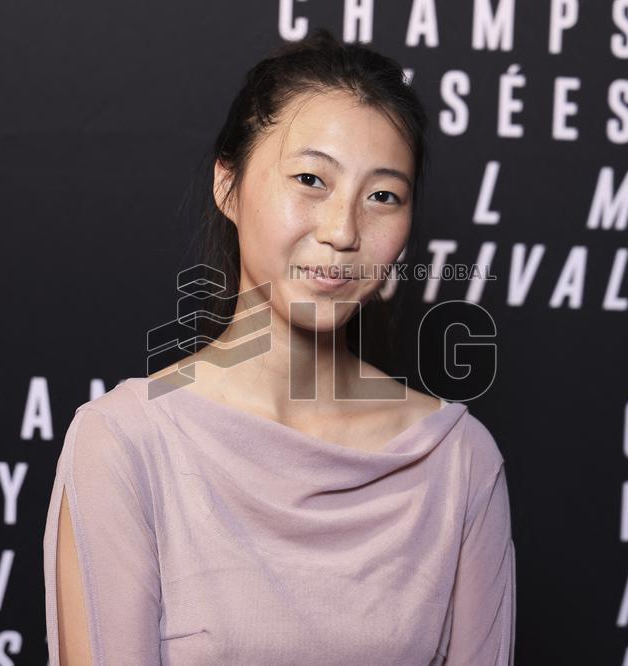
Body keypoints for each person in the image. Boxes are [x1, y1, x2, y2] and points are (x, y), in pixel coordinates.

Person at [42, 27, 515, 665]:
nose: (343, 231)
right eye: (311, 179)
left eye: (382, 196)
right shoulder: (126, 444)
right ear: (227, 185)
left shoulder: (459, 462)